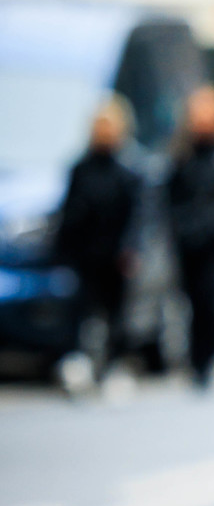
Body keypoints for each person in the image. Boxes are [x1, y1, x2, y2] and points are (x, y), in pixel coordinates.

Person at [55, 96, 141, 380]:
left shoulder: (127, 171)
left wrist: (130, 249)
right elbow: (68, 213)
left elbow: (136, 216)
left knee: (115, 313)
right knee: (79, 311)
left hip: (115, 256)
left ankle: (113, 365)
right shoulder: (81, 169)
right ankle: (77, 363)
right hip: (84, 254)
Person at [164, 85, 214, 386]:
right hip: (188, 244)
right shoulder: (182, 158)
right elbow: (170, 200)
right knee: (191, 302)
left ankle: (207, 360)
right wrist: (180, 229)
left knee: (211, 301)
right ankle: (193, 359)